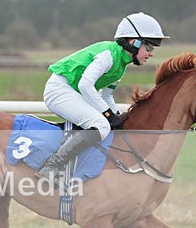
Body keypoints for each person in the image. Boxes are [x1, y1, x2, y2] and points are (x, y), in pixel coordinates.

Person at [37, 12, 169, 184]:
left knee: (107, 125)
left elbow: (106, 95)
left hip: (73, 92)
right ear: (133, 42)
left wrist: (118, 116)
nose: (151, 53)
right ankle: (51, 167)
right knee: (101, 125)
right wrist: (108, 115)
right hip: (59, 90)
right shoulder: (108, 55)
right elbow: (86, 84)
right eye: (149, 47)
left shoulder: (121, 65)